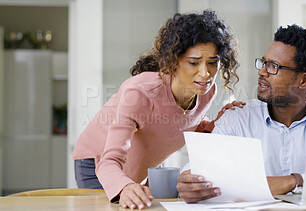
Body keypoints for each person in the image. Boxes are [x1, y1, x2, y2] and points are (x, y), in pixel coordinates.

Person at [72, 10, 243, 209]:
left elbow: (182, 124)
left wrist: (220, 121)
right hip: (97, 163)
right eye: (194, 63)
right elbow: (109, 161)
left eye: (213, 63)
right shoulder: (139, 93)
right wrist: (124, 185)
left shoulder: (207, 91)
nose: (205, 73)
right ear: (173, 62)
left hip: (140, 164)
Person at [176, 24, 306, 203]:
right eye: (263, 63)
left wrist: (296, 180)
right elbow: (199, 176)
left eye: (273, 66)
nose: (261, 72)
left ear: (304, 80)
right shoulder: (237, 118)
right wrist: (189, 182)